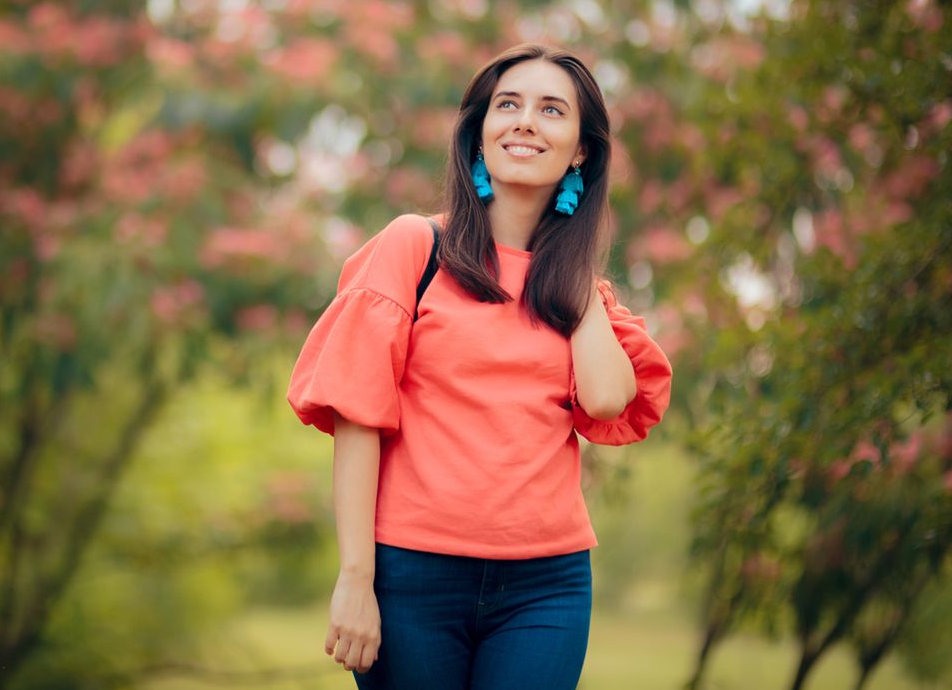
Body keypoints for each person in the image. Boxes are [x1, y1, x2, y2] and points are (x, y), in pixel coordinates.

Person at [286, 43, 674, 689]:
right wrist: (356, 577)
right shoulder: (417, 246)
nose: (525, 121)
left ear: (581, 149)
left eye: (552, 110)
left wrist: (569, 271)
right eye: (508, 105)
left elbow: (607, 399)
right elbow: (357, 416)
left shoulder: (582, 292)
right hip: (413, 576)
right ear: (480, 130)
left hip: (545, 585)